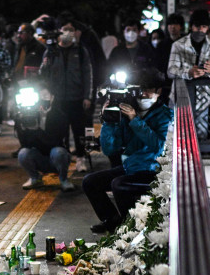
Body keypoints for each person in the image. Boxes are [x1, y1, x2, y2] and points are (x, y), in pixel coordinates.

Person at [82, 71, 173, 233]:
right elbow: (110, 148)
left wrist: (135, 120)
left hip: (154, 170)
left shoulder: (166, 115)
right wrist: (108, 120)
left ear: (159, 91)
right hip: (131, 166)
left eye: (149, 89)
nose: (144, 94)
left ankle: (129, 227)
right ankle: (112, 220)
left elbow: (157, 146)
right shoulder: (127, 110)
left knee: (118, 184)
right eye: (140, 89)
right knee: (90, 182)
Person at [39, 19, 93, 166]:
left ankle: (81, 158)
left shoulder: (81, 51)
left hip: (76, 97)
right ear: (58, 31)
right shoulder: (51, 51)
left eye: (71, 29)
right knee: (59, 131)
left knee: (78, 130)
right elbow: (42, 74)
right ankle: (63, 158)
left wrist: (88, 96)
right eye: (64, 29)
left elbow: (88, 74)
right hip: (57, 99)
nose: (67, 32)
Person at [167, 9, 210, 139]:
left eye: (204, 27)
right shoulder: (178, 45)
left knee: (199, 136)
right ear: (192, 26)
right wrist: (188, 72)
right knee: (175, 133)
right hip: (180, 95)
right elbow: (171, 70)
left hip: (203, 97)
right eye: (197, 26)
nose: (200, 30)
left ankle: (198, 159)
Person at [17, 89, 75, 192]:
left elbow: (55, 141)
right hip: (38, 156)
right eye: (40, 96)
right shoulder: (29, 114)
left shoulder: (59, 115)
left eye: (46, 95)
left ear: (52, 98)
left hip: (56, 157)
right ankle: (35, 178)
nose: (43, 99)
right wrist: (21, 126)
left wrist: (37, 130)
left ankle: (63, 179)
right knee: (23, 153)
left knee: (59, 152)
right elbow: (24, 144)